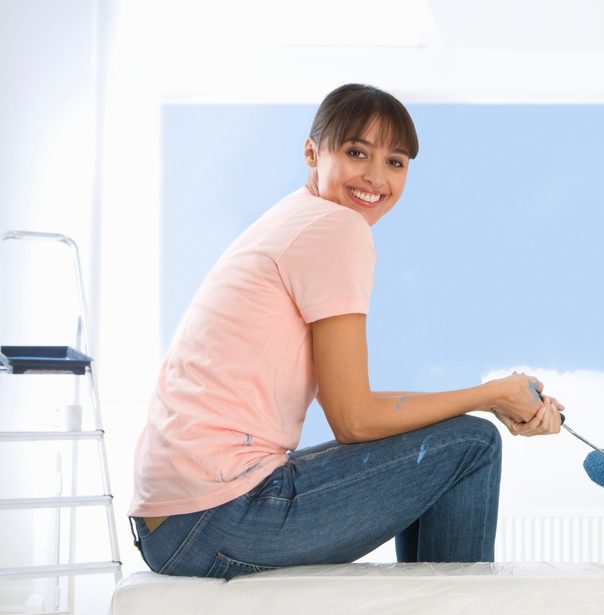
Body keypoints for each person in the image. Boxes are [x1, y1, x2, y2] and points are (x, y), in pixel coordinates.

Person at [129, 84, 563, 579]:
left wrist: (495, 396)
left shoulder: (294, 217)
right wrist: (491, 395)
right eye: (357, 153)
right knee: (473, 444)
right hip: (216, 516)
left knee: (451, 436)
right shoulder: (335, 227)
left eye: (395, 162)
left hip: (174, 522)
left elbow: (354, 408)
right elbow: (354, 420)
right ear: (313, 153)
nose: (376, 177)